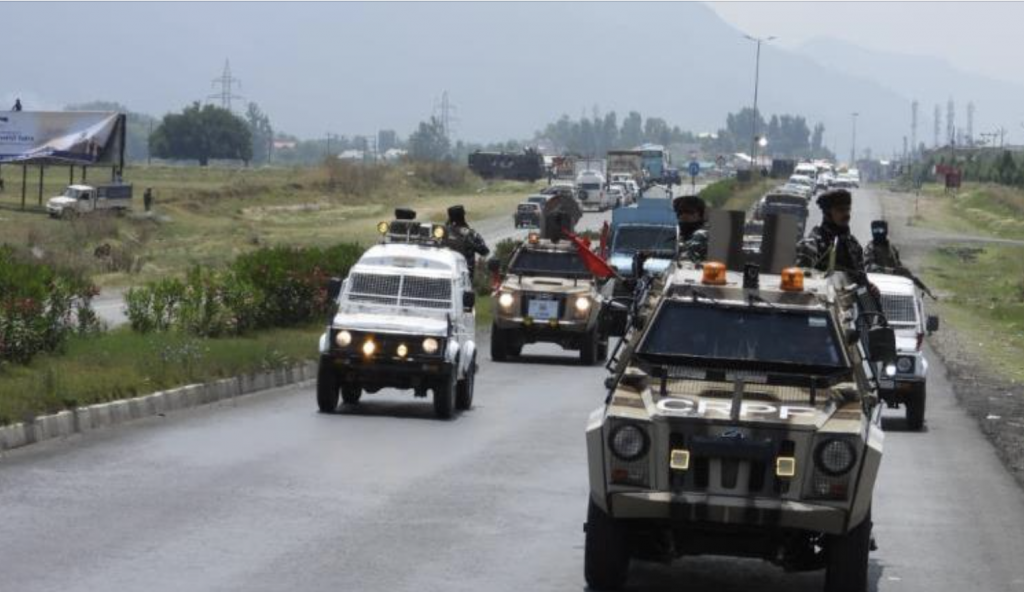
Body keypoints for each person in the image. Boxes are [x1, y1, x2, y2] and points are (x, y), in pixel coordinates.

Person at [445, 205, 490, 276]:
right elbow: (485, 251)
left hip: (446, 274)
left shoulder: (444, 232)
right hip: (465, 276)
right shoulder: (470, 234)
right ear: (463, 216)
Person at [673, 195, 708, 263]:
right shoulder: (674, 231)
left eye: (689, 211)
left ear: (700, 214)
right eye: (679, 212)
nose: (683, 215)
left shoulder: (704, 234)